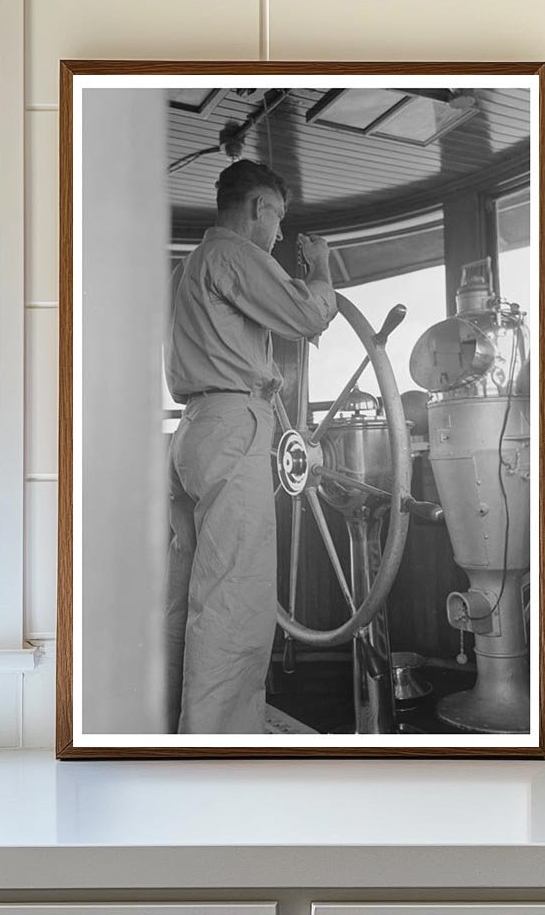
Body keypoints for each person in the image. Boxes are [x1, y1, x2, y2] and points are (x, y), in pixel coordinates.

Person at [164, 159, 337, 734]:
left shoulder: (190, 266)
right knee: (234, 593)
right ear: (259, 208)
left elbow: (225, 345)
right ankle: (217, 744)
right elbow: (307, 317)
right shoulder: (235, 255)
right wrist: (321, 270)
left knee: (187, 590)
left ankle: (175, 722)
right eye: (279, 218)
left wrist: (261, 380)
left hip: (192, 431)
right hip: (232, 428)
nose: (281, 234)